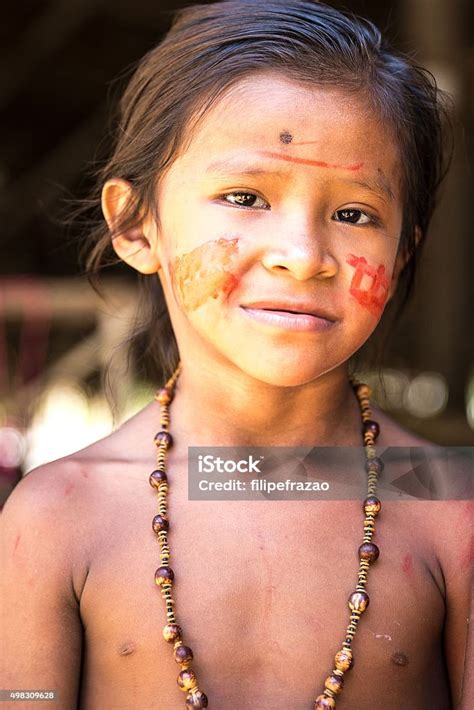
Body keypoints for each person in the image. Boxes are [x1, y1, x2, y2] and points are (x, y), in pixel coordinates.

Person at [1, 1, 472, 708]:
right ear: (135, 226)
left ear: (403, 251)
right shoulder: (57, 517)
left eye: (354, 214)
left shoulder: (453, 514)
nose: (303, 256)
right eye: (245, 195)